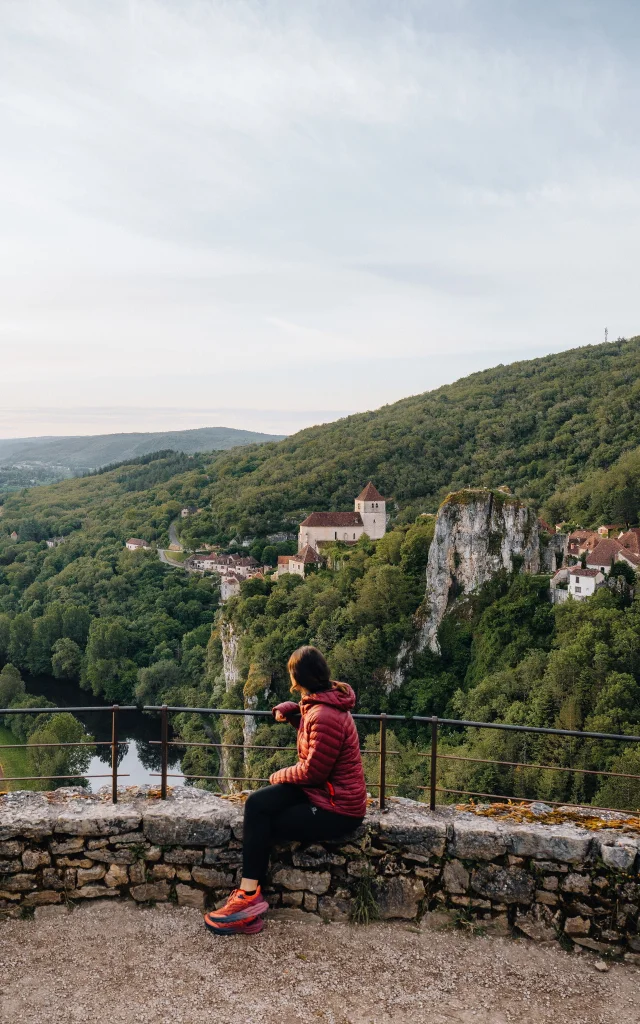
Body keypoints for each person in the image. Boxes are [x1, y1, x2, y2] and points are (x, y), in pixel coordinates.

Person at [204, 645, 367, 935]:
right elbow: (316, 739)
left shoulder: (325, 715)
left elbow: (314, 770)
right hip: (321, 791)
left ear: (299, 676)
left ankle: (247, 899)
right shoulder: (321, 705)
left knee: (266, 823)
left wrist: (278, 775)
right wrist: (295, 713)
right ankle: (249, 896)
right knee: (256, 805)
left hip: (338, 807)